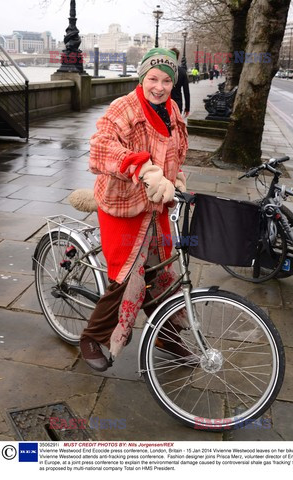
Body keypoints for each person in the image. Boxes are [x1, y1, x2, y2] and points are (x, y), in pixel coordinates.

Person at [79, 48, 190, 372]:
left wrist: (176, 178)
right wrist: (141, 168)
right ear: (142, 78)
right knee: (127, 275)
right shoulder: (123, 108)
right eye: (153, 78)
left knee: (163, 272)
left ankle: (166, 335)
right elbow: (101, 146)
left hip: (156, 203)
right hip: (122, 204)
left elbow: (175, 153)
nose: (159, 86)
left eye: (167, 80)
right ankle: (92, 337)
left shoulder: (172, 111)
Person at [169, 47, 190, 118]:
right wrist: (187, 108)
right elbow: (186, 91)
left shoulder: (164, 70)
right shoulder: (182, 72)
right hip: (177, 103)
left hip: (164, 102)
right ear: (177, 57)